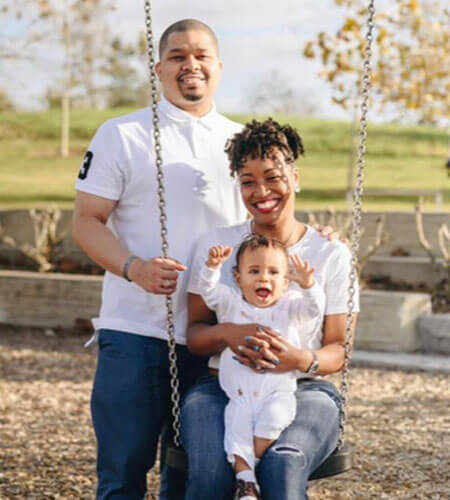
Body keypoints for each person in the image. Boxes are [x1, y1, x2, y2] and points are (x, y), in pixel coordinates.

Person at [181, 118, 359, 500]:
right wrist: (228, 334)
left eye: (273, 177)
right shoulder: (217, 246)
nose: (261, 191)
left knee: (283, 461)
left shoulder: (330, 254)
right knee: (212, 467)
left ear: (295, 177)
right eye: (248, 181)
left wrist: (298, 358)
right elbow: (195, 336)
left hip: (304, 389)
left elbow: (338, 349)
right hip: (222, 385)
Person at [198, 235, 325, 499]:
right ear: (237, 278)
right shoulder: (231, 303)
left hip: (277, 391)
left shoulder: (289, 307)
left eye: (274, 272)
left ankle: (250, 468)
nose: (263, 278)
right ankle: (246, 485)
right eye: (254, 271)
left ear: (285, 281)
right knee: (235, 432)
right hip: (239, 395)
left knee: (275, 418)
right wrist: (211, 268)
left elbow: (314, 310)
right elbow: (209, 292)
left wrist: (309, 284)